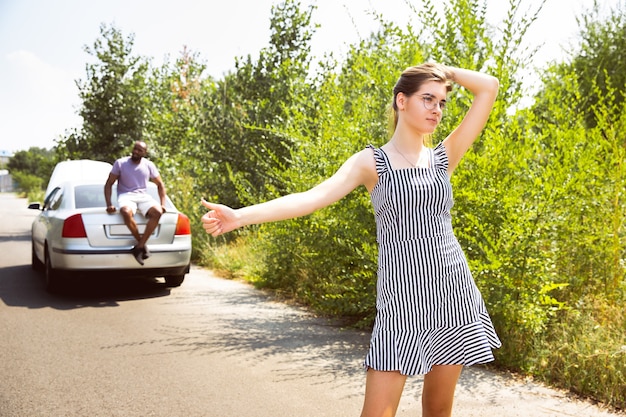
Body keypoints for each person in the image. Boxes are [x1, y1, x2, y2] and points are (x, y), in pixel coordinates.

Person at [201, 63, 501, 417]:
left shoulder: (442, 158)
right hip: (402, 302)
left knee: (437, 411)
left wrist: (443, 71)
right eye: (427, 99)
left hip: (453, 291)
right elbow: (312, 197)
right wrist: (240, 216)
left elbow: (489, 87)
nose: (436, 109)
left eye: (442, 102)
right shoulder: (371, 162)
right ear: (401, 101)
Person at [104, 141, 167, 266]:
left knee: (158, 212)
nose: (136, 152)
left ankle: (139, 247)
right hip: (126, 196)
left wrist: (163, 204)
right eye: (135, 149)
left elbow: (160, 184)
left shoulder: (149, 165)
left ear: (145, 153)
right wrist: (109, 204)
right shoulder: (120, 163)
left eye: (139, 150)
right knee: (126, 212)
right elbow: (109, 184)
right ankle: (142, 245)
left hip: (143, 196)